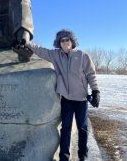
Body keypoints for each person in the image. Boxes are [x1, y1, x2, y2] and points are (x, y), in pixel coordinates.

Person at [24, 29, 100, 161]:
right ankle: (64, 157)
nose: (65, 42)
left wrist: (96, 91)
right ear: (59, 43)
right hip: (66, 100)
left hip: (81, 99)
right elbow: (40, 50)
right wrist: (26, 43)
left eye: (67, 40)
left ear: (72, 41)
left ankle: (83, 155)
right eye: (62, 40)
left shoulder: (82, 55)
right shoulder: (55, 55)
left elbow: (91, 75)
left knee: (82, 128)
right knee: (66, 129)